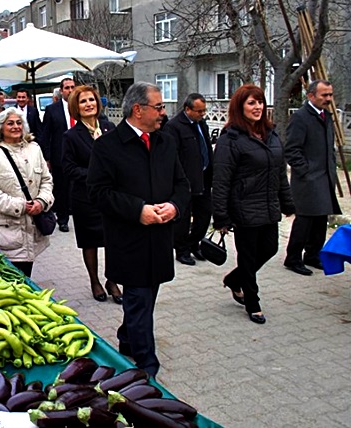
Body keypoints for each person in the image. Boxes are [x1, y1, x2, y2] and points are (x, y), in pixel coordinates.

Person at [87, 82, 190, 377]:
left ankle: (128, 337)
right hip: (128, 239)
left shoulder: (165, 141)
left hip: (159, 237)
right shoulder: (107, 146)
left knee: (146, 298)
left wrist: (175, 206)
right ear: (137, 110)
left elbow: (182, 184)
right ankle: (146, 366)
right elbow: (98, 193)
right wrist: (137, 210)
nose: (163, 112)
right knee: (139, 298)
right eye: (158, 107)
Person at [212, 84, 295, 325]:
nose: (257, 107)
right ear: (240, 107)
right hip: (244, 207)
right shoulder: (231, 138)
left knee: (269, 249)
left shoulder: (271, 134)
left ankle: (234, 280)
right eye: (251, 103)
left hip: (268, 206)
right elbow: (221, 180)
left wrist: (288, 204)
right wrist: (221, 217)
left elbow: (280, 173)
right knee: (247, 257)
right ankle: (253, 301)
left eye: (259, 102)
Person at [62, 85, 122, 304]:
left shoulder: (109, 128)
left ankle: (112, 280)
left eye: (91, 100)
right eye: (83, 101)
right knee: (90, 242)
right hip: (85, 197)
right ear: (76, 107)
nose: (88, 104)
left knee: (113, 240)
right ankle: (95, 281)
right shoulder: (71, 136)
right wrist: (95, 174)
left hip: (110, 196)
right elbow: (68, 168)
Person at [0, 108, 54, 277]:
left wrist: (41, 202)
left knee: (26, 274)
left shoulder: (34, 149)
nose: (15, 127)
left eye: (19, 123)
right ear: (0, 127)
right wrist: (20, 206)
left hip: (32, 227)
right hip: (5, 229)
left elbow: (47, 180)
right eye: (10, 123)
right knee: (8, 276)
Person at [284, 80, 341, 276]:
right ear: (310, 96)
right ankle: (292, 258)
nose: (328, 99)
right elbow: (291, 149)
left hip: (325, 176)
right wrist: (306, 171)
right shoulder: (301, 117)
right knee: (305, 220)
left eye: (330, 95)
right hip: (308, 179)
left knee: (320, 220)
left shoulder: (326, 116)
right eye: (324, 95)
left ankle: (312, 255)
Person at [164, 93, 214, 266]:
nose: (202, 114)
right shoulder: (174, 127)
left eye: (203, 111)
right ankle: (182, 250)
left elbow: (206, 146)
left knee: (205, 215)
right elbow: (172, 157)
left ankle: (194, 243)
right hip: (185, 181)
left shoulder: (202, 124)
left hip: (204, 178)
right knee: (183, 220)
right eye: (199, 111)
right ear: (187, 109)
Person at [41, 77, 77, 232]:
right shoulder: (52, 110)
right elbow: (46, 134)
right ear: (61, 91)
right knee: (61, 188)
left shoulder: (80, 107)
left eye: (72, 87)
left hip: (79, 153)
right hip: (59, 155)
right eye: (67, 88)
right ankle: (62, 219)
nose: (70, 90)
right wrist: (47, 157)